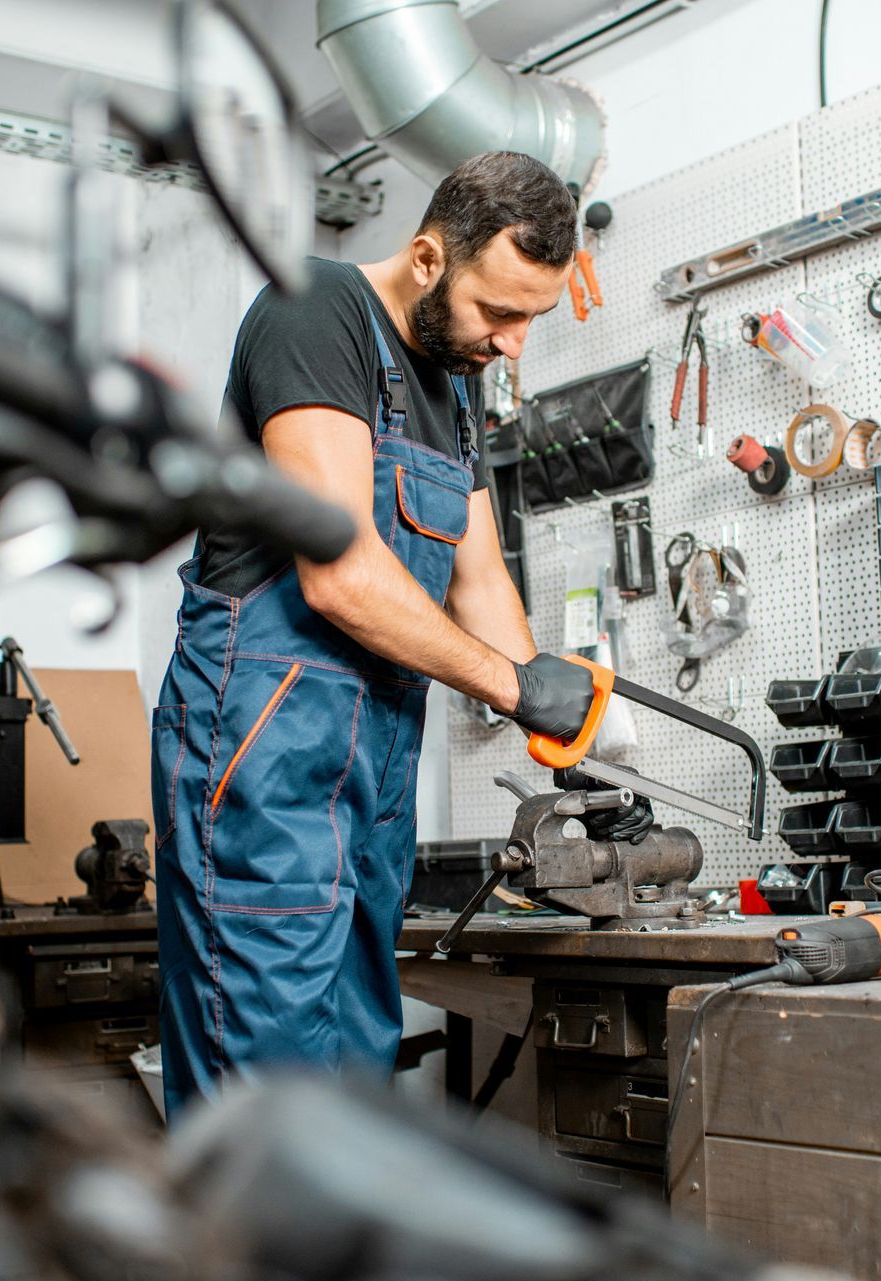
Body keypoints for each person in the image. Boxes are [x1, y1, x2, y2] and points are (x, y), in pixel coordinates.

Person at [152, 151, 652, 1115]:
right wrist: (511, 687)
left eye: (530, 321)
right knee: (267, 1068)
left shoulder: (453, 384)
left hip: (373, 765)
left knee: (355, 1058)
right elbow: (339, 574)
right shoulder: (315, 313)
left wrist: (554, 706)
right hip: (262, 747)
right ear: (428, 258)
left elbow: (479, 573)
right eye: (498, 314)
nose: (512, 345)